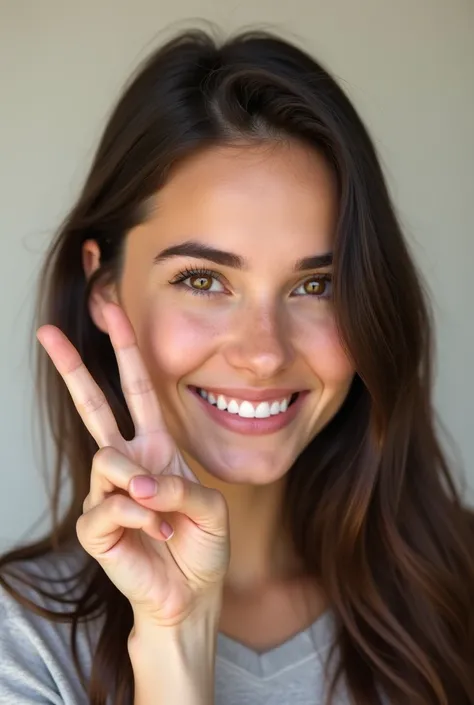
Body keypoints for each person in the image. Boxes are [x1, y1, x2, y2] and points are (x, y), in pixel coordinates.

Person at [0, 25, 473, 705]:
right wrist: (174, 641)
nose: (263, 352)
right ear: (105, 286)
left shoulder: (459, 595)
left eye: (317, 285)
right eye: (202, 279)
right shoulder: (25, 639)